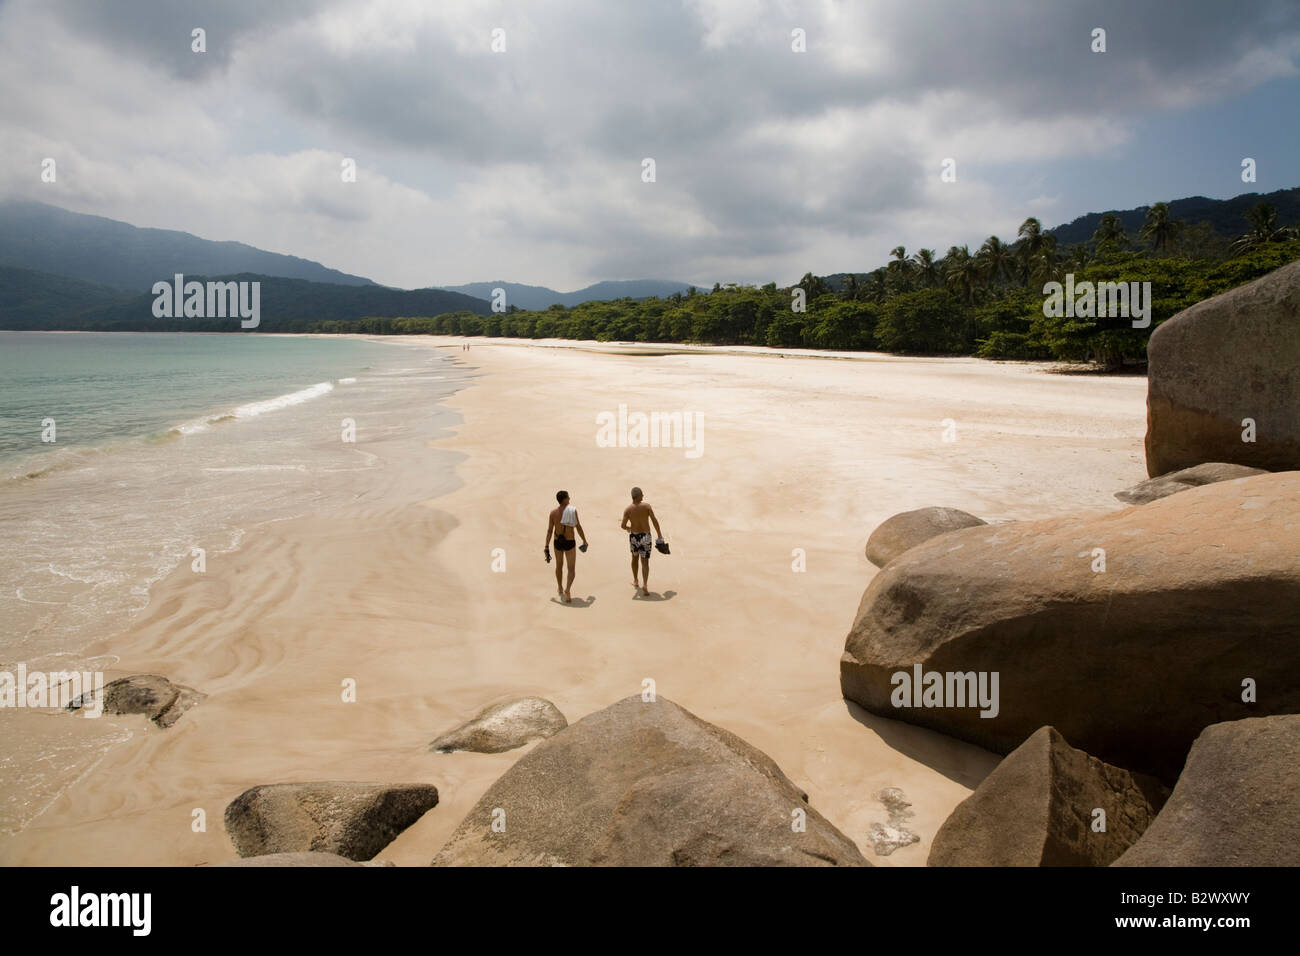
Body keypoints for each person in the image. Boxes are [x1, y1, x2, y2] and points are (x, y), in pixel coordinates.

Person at [545, 490, 587, 603]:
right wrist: (584, 540)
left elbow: (549, 531)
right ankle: (567, 589)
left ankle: (560, 587)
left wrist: (546, 546)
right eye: (568, 497)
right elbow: (578, 527)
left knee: (559, 566)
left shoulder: (553, 513)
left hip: (557, 542)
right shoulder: (572, 511)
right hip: (569, 542)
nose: (569, 498)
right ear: (564, 499)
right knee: (571, 569)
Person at [620, 486, 662, 596]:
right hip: (646, 537)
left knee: (634, 558)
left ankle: (635, 580)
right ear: (638, 496)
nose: (643, 495)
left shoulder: (628, 509)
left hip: (634, 537)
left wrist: (628, 528)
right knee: (645, 561)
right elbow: (654, 521)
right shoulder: (647, 507)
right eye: (642, 494)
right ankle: (645, 584)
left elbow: (623, 525)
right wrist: (659, 534)